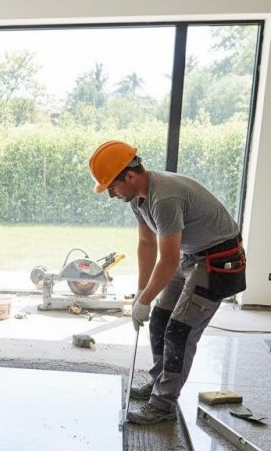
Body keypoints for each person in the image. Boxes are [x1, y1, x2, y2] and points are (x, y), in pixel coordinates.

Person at [89, 140, 247, 425]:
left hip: (217, 260)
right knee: (160, 320)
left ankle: (163, 405)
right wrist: (142, 292)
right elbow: (147, 244)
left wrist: (146, 300)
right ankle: (160, 382)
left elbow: (168, 260)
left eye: (112, 187)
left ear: (130, 176)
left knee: (179, 332)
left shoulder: (163, 198)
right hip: (190, 255)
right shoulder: (137, 198)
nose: (111, 195)